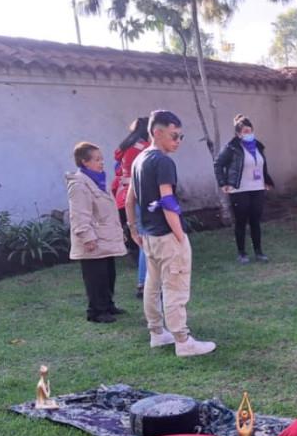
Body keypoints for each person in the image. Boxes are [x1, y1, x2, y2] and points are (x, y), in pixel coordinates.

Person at [126, 110, 216, 356]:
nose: (178, 141)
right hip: (166, 236)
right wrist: (180, 235)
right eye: (174, 136)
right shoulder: (162, 161)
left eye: (181, 137)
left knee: (153, 286)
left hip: (149, 236)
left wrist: (134, 228)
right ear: (157, 133)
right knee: (175, 287)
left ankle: (157, 333)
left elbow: (129, 199)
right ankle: (182, 341)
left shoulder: (139, 159)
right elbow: (167, 201)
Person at [66, 142, 127, 323]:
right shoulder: (79, 184)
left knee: (108, 274)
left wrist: (118, 232)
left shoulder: (98, 180)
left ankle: (108, 305)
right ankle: (96, 311)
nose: (102, 163)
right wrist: (87, 237)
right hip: (92, 239)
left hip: (105, 236)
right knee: (95, 277)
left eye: (102, 159)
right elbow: (79, 214)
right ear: (85, 162)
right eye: (97, 159)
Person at [214, 114, 275, 263]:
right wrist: (223, 183)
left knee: (255, 221)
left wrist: (267, 181)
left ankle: (258, 252)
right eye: (245, 131)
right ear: (238, 134)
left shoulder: (258, 146)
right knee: (241, 221)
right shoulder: (232, 148)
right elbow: (218, 164)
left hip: (257, 188)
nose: (248, 133)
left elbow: (262, 166)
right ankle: (241, 253)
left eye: (250, 130)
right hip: (239, 189)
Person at [113, 117, 149, 298]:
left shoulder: (126, 148)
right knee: (147, 240)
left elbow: (118, 172)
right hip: (140, 196)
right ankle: (144, 283)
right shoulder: (145, 148)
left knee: (141, 238)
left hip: (123, 196)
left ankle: (145, 281)